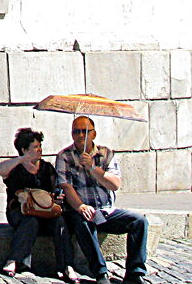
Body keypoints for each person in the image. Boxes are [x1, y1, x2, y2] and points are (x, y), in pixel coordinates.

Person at [57, 116, 148, 284]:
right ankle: (100, 273)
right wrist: (81, 206)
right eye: (76, 131)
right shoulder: (65, 156)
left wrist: (92, 167)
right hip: (82, 208)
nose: (81, 136)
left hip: (106, 210)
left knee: (139, 221)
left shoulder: (106, 154)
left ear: (94, 134)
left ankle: (135, 273)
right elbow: (66, 186)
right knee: (83, 222)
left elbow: (114, 184)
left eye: (85, 131)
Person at [0, 127, 77, 281]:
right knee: (30, 221)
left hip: (45, 212)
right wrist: (22, 159)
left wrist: (58, 197)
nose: (40, 150)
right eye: (35, 147)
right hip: (19, 212)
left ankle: (67, 266)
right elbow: (0, 169)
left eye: (40, 146)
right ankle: (15, 261)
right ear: (24, 149)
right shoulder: (15, 168)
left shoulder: (46, 168)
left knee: (60, 221)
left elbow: (55, 189)